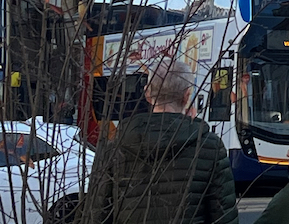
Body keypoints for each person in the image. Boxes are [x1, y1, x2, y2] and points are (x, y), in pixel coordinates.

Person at [84, 57, 238, 224]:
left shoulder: (115, 147)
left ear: (147, 93)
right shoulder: (209, 146)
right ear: (187, 95)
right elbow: (224, 217)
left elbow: (97, 215)